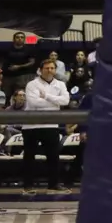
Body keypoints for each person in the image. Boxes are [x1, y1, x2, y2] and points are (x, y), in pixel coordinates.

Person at [22, 56, 70, 189]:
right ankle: (28, 184)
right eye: (47, 68)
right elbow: (34, 102)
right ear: (40, 70)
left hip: (51, 124)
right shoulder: (32, 84)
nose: (49, 70)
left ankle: (53, 184)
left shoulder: (60, 84)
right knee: (29, 156)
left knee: (53, 156)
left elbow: (65, 101)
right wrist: (55, 102)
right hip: (31, 125)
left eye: (52, 68)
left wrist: (47, 97)